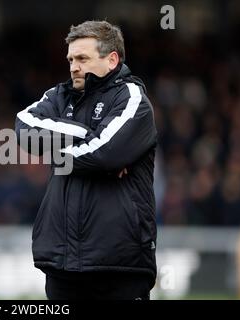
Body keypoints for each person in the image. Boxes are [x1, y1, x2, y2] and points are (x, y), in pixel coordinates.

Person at [15, 20, 158, 300]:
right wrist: (88, 135)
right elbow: (23, 127)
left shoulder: (132, 98)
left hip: (119, 264)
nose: (73, 67)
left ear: (112, 59)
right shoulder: (58, 96)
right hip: (62, 263)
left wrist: (57, 152)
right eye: (70, 59)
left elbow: (104, 155)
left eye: (82, 58)